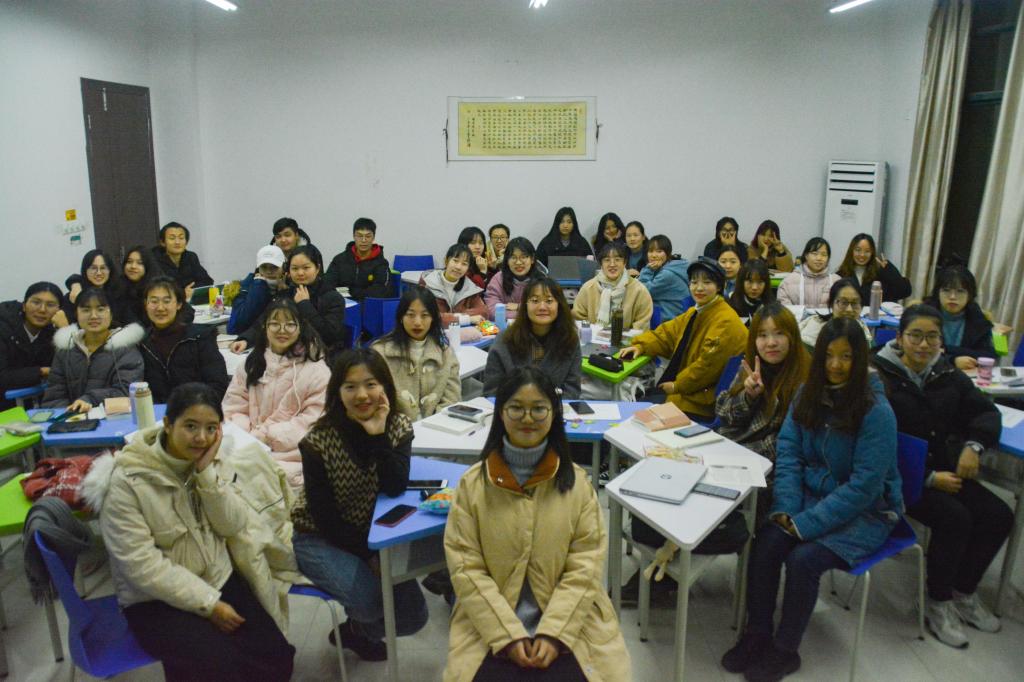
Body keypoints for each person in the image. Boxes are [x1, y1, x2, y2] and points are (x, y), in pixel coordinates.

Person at [722, 317, 901, 681]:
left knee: (803, 560)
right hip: (807, 498)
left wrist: (805, 524)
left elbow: (864, 487)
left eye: (846, 356)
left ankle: (785, 650)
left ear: (860, 359)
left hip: (866, 513)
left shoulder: (876, 411)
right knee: (767, 540)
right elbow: (789, 455)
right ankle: (757, 632)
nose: (836, 365)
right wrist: (787, 509)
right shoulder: (808, 393)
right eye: (829, 355)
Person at [86, 382, 297, 682]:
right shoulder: (127, 481)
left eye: (211, 428)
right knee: (220, 668)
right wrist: (209, 604)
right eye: (190, 426)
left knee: (277, 659)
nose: (201, 438)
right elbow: (141, 567)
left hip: (218, 577)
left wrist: (206, 475)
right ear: (168, 424)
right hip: (155, 601)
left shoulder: (210, 460)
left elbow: (232, 524)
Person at [443, 367, 631, 681]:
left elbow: (585, 566)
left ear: (553, 414)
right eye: (516, 408)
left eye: (538, 409)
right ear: (500, 413)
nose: (527, 418)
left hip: (570, 622)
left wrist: (554, 633)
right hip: (490, 623)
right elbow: (466, 568)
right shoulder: (472, 485)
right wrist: (507, 634)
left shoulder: (578, 485)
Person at [872, 304, 1010, 648]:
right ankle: (938, 601)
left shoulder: (947, 373)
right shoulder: (879, 376)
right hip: (899, 480)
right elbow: (874, 445)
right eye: (915, 336)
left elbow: (985, 412)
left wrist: (974, 446)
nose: (924, 345)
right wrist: (929, 478)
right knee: (955, 518)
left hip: (946, 471)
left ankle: (963, 591)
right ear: (899, 338)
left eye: (932, 337)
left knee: (999, 515)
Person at [290, 348, 427, 662]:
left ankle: (354, 631)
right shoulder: (319, 441)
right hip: (317, 536)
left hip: (373, 532)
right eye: (350, 386)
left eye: (371, 384)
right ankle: (360, 626)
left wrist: (377, 436)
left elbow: (395, 486)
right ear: (337, 392)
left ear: (385, 387)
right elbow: (325, 519)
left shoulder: (397, 426)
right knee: (369, 602)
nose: (362, 395)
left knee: (413, 618)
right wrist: (369, 554)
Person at [715, 303, 810, 520]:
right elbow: (723, 414)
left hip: (773, 472)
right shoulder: (752, 367)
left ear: (792, 337)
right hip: (737, 457)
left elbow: (787, 445)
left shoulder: (805, 377)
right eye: (762, 335)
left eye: (779, 333)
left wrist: (736, 458)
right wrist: (748, 396)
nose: (771, 343)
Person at [620, 258, 747, 418]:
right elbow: (666, 334)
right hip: (690, 390)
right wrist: (641, 346)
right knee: (637, 401)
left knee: (636, 412)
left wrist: (676, 386)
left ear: (719, 286)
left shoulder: (724, 321)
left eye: (707, 282)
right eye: (694, 282)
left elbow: (705, 367)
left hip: (702, 400)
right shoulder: (697, 311)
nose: (699, 288)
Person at [223, 298, 330, 487]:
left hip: (294, 454)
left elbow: (312, 423)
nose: (282, 330)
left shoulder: (317, 371)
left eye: (290, 324)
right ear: (265, 326)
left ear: (301, 327)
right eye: (275, 323)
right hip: (250, 448)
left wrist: (266, 436)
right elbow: (233, 408)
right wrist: (246, 438)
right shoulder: (252, 364)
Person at [232, 245, 347, 360]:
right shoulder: (285, 294)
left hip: (320, 358)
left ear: (317, 268)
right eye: (295, 268)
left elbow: (329, 336)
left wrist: (304, 304)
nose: (300, 273)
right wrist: (246, 340)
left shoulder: (333, 298)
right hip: (286, 355)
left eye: (306, 268)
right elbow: (264, 321)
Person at [42, 288, 144, 411]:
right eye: (86, 310)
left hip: (112, 418)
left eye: (100, 309)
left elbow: (126, 392)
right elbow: (53, 397)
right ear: (76, 314)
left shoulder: (125, 348)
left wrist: (90, 399)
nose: (93, 316)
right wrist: (69, 414)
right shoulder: (66, 349)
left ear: (111, 314)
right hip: (71, 418)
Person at [371, 287, 461, 421]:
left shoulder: (445, 353)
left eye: (425, 315)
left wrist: (432, 426)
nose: (417, 322)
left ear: (433, 318)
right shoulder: (380, 352)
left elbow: (451, 401)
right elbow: (377, 403)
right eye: (410, 315)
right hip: (395, 428)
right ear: (401, 317)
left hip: (436, 428)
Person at [484, 277, 582, 398]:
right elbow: (492, 392)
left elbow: (572, 391)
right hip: (512, 407)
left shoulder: (569, 340)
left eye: (549, 301)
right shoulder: (505, 340)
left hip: (556, 408)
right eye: (535, 301)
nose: (542, 307)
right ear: (525, 306)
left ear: (559, 305)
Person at [139, 276, 228, 403]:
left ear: (179, 304)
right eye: (154, 301)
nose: (160, 308)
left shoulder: (200, 338)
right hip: (156, 413)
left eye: (167, 301)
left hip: (197, 409)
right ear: (146, 304)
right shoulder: (142, 343)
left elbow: (218, 385)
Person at [0, 282, 62, 409]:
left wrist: (65, 329)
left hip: (32, 404)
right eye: (36, 302)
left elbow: (73, 372)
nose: (42, 309)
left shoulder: (53, 333)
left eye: (50, 305)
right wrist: (41, 371)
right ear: (24, 306)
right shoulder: (3, 328)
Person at [923, 264, 996, 370]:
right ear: (937, 293)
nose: (952, 297)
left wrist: (945, 349)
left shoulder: (976, 316)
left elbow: (988, 356)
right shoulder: (924, 314)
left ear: (970, 295)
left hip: (966, 375)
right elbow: (916, 351)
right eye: (946, 290)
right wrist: (952, 360)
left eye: (960, 291)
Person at [571, 242, 653, 331]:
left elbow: (642, 325)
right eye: (607, 260)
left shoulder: (639, 290)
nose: (612, 264)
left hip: (628, 339)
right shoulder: (588, 288)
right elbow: (578, 319)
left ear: (624, 263)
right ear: (601, 264)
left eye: (617, 260)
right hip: (593, 337)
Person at [119, 245, 195, 326]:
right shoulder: (118, 287)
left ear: (148, 265)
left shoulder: (160, 285)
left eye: (140, 263)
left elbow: (187, 313)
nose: (133, 266)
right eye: (129, 262)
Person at [323, 217, 392, 300]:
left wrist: (352, 292)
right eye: (359, 236)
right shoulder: (339, 260)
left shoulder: (381, 263)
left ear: (373, 237)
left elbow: (380, 291)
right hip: (341, 303)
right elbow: (327, 284)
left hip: (368, 304)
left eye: (368, 236)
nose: (363, 240)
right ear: (354, 236)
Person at [419, 243, 488, 326]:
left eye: (464, 264)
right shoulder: (428, 282)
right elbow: (427, 316)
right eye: (455, 261)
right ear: (446, 261)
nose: (458, 267)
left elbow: (484, 312)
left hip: (461, 332)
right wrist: (466, 319)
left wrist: (451, 318)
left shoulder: (469, 287)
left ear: (468, 268)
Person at [62, 249, 134, 327]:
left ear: (110, 270)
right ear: (85, 270)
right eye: (93, 268)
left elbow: (132, 324)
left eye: (103, 268)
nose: (99, 273)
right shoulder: (75, 296)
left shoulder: (119, 294)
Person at [227, 244, 289, 334]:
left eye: (274, 267)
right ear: (258, 268)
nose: (268, 271)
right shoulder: (246, 288)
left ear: (284, 268)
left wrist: (283, 293)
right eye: (264, 267)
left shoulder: (290, 286)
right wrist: (259, 286)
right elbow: (237, 326)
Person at [798, 277, 873, 350]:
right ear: (831, 304)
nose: (849, 310)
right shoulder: (811, 335)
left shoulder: (864, 332)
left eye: (855, 303)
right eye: (843, 302)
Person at [836, 233, 912, 303]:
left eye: (867, 251)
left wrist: (889, 270)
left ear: (872, 253)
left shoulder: (880, 274)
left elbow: (904, 291)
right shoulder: (841, 274)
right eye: (858, 250)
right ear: (851, 251)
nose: (862, 255)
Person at [484, 237, 544, 321]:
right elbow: (491, 311)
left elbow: (543, 310)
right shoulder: (498, 279)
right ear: (507, 260)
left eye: (523, 257)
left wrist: (519, 307)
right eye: (513, 257)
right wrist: (527, 310)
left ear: (532, 259)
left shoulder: (542, 281)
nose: (518, 262)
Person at [637, 234, 691, 319]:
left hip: (672, 320)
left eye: (659, 251)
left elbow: (642, 292)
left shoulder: (667, 274)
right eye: (650, 251)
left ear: (668, 253)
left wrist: (648, 269)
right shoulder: (672, 266)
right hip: (674, 314)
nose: (654, 255)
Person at [776, 237, 840, 308]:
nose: (819, 258)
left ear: (828, 258)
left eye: (824, 255)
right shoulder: (790, 280)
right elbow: (783, 305)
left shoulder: (836, 281)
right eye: (815, 254)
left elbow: (841, 305)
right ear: (806, 256)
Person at [151, 221, 215, 290]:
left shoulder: (191, 257)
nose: (177, 242)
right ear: (162, 242)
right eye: (172, 238)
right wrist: (183, 292)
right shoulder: (153, 259)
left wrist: (190, 290)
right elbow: (156, 286)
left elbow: (207, 281)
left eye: (181, 238)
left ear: (186, 242)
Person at [729, 258, 776, 325]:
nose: (754, 287)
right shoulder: (733, 303)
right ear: (741, 281)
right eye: (750, 281)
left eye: (760, 282)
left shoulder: (772, 303)